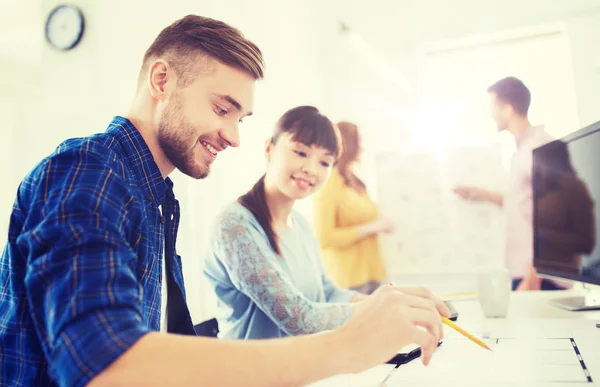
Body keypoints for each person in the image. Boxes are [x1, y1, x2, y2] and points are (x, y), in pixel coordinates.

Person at [0, 15, 449, 387]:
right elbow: (104, 364)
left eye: (241, 118)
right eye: (221, 110)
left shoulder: (154, 197)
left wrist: (389, 306)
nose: (234, 137)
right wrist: (348, 348)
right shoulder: (87, 171)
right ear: (161, 79)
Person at [205, 107, 409, 339]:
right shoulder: (236, 225)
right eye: (301, 153)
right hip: (253, 372)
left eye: (325, 162)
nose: (311, 169)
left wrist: (391, 302)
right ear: (269, 149)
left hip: (305, 366)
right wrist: (380, 306)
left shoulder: (299, 224)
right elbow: (299, 318)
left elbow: (329, 293)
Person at [454, 76, 565, 291]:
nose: (491, 113)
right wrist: (482, 194)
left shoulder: (540, 148)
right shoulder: (523, 151)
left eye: (493, 106)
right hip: (527, 273)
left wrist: (532, 278)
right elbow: (525, 203)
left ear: (508, 108)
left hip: (539, 278)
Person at [313, 121, 392, 294]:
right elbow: (324, 238)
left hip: (375, 274)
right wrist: (370, 228)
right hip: (350, 280)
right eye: (359, 141)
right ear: (348, 144)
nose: (362, 146)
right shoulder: (329, 184)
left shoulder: (355, 181)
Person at [534, 140, 596, 275]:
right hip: (540, 273)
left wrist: (542, 235)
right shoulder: (543, 190)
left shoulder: (574, 188)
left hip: (562, 276)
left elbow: (587, 243)